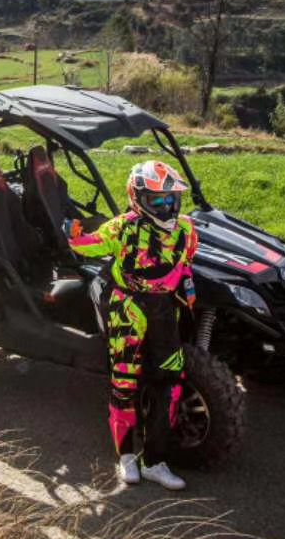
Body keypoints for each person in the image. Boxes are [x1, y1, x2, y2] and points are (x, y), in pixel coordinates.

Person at [68, 160, 199, 490]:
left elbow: (186, 263)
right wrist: (71, 232)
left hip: (165, 311)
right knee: (124, 383)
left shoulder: (186, 229)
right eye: (157, 199)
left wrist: (187, 285)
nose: (167, 205)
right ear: (137, 198)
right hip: (126, 308)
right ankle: (126, 457)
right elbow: (84, 246)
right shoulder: (121, 228)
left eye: (171, 199)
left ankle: (155, 460)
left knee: (171, 381)